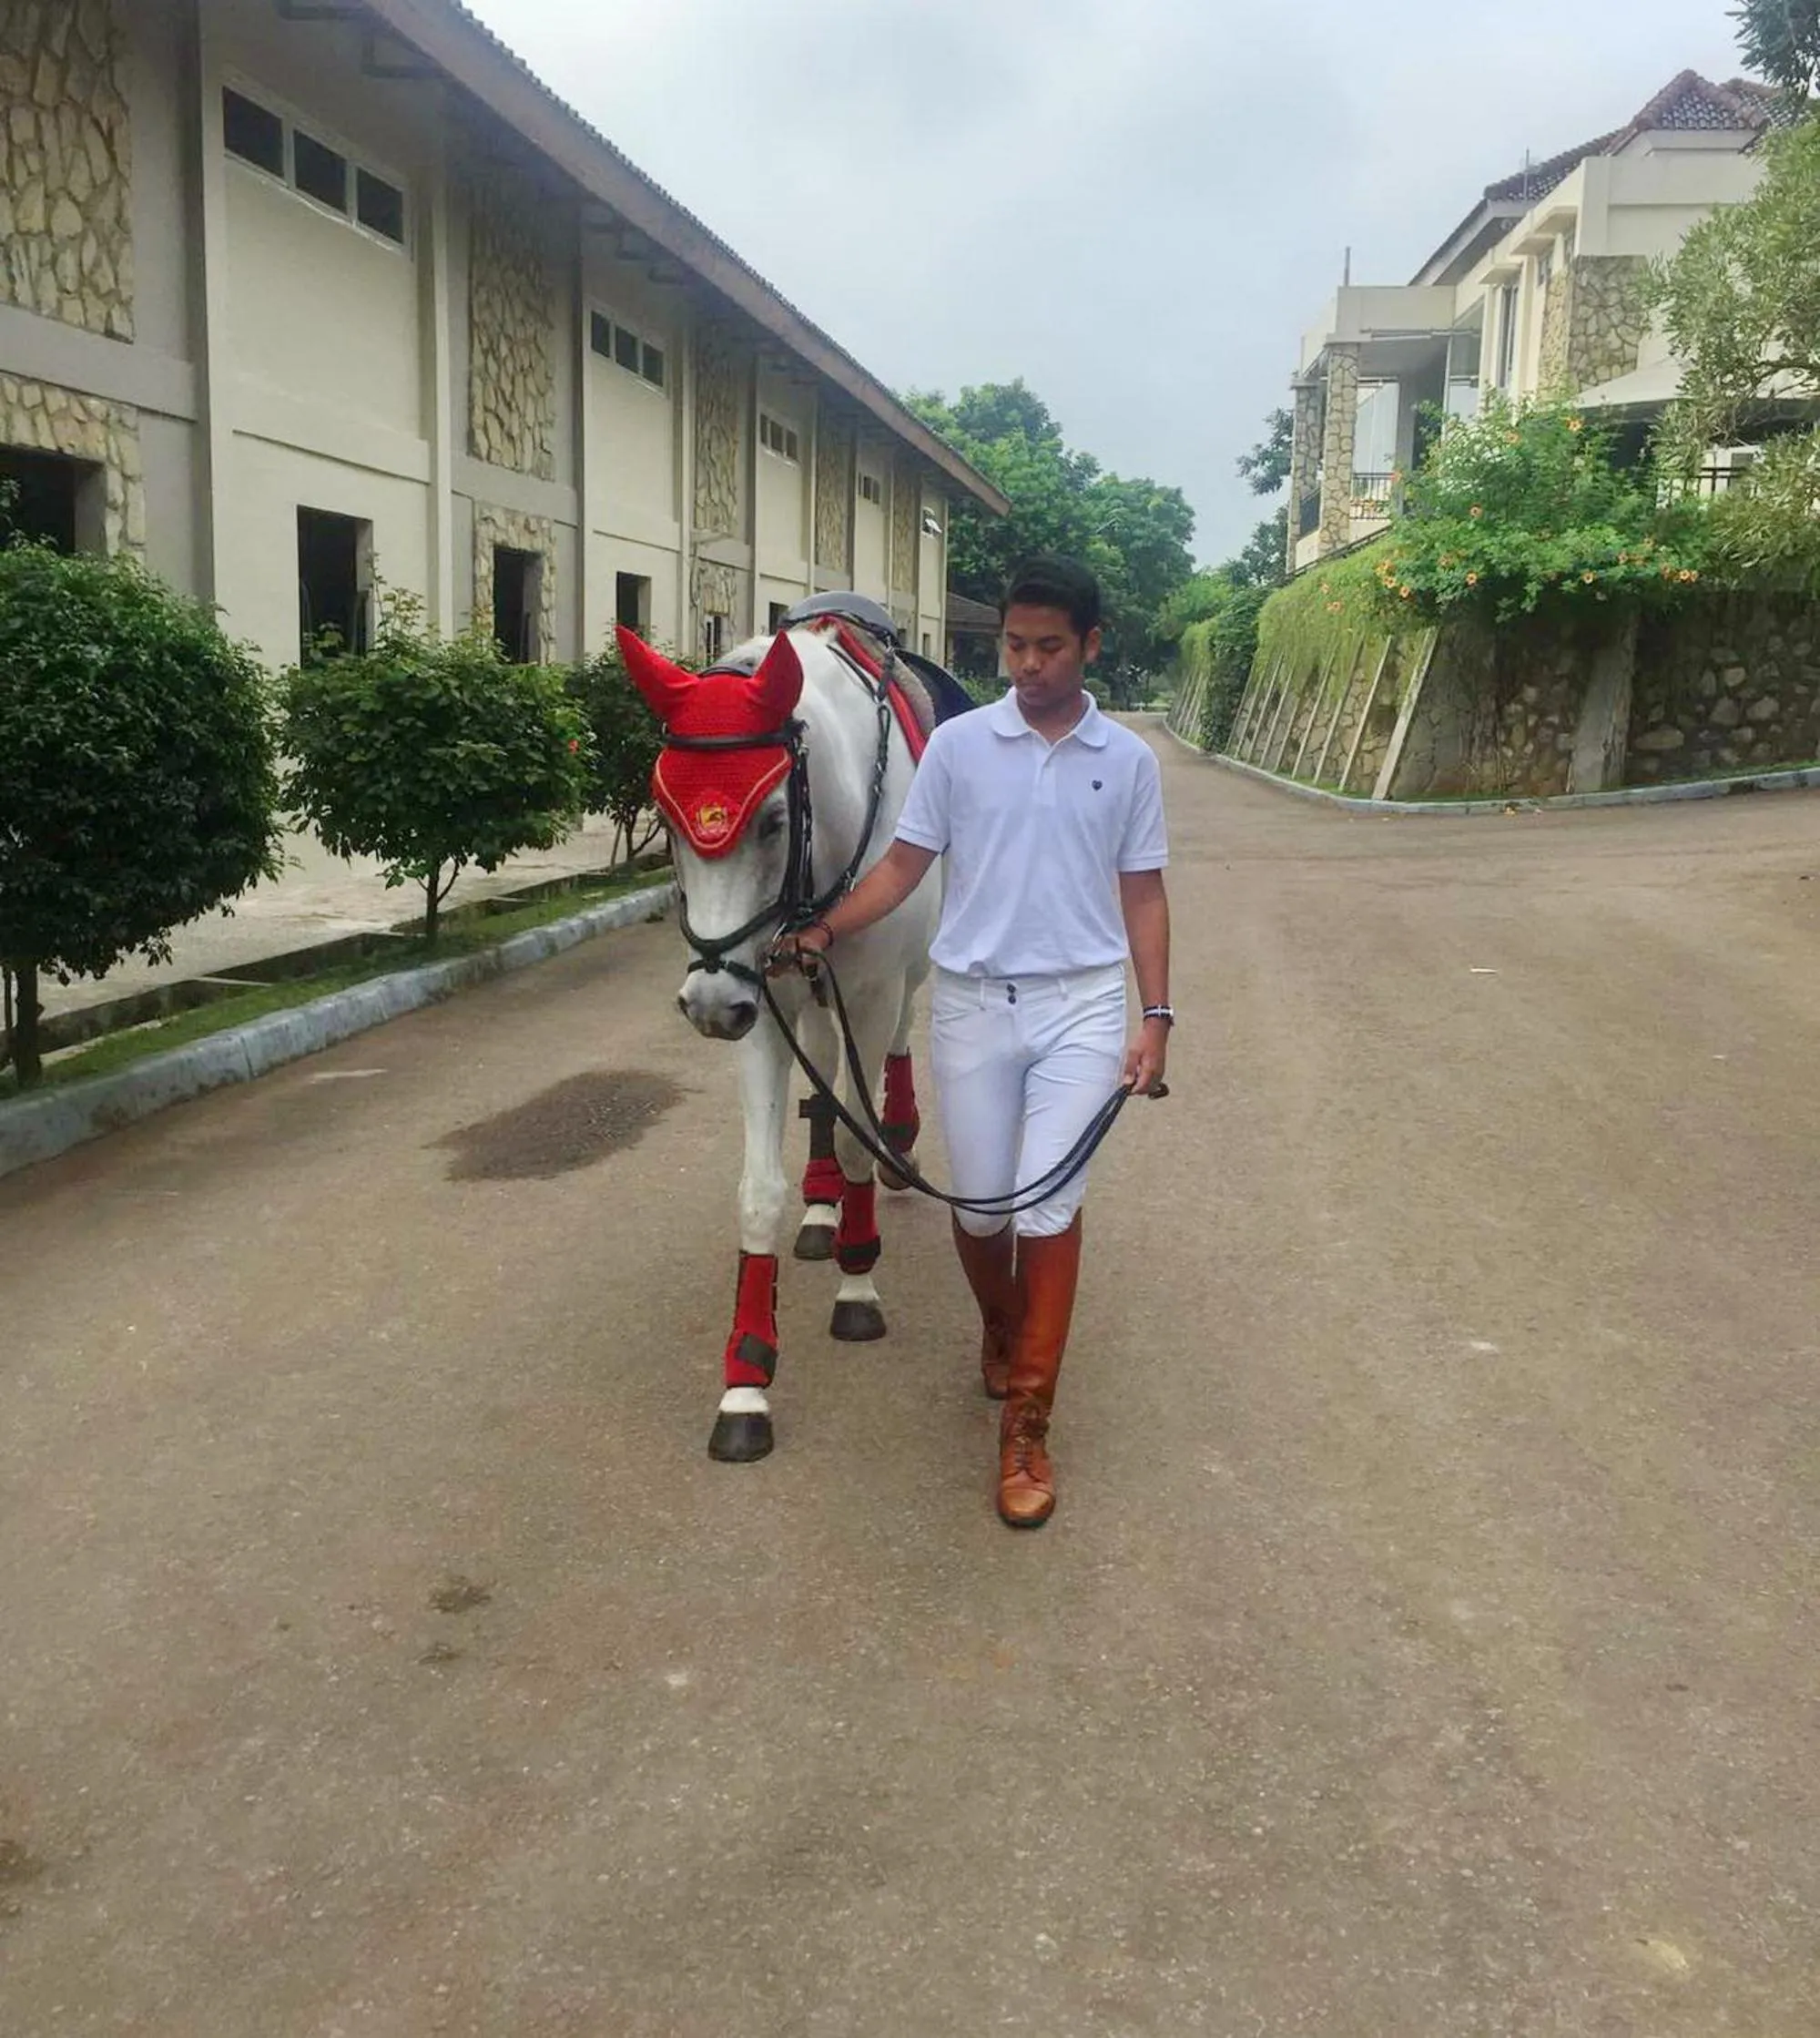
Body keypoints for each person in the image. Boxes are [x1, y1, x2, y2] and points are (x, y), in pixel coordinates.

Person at [771, 555, 1172, 1527]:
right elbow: (904, 865)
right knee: (984, 1210)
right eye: (1014, 646)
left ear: (1089, 646)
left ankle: (1027, 1423)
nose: (1026, 665)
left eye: (1047, 647)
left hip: (1079, 1006)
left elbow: (1143, 892)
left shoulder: (1126, 761)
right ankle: (1002, 1322)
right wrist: (823, 928)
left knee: (1046, 1208)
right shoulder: (958, 747)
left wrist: (1155, 1016)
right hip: (971, 1006)